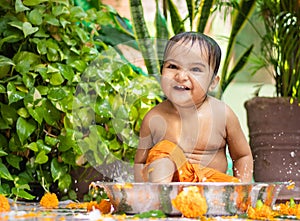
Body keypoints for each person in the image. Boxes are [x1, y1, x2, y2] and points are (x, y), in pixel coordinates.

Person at [134, 31, 253, 183]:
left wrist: (242, 192)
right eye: (173, 66)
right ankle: (158, 200)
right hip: (170, 192)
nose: (181, 76)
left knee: (229, 185)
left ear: (212, 82)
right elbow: (140, 163)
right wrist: (141, 197)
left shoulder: (222, 115)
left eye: (195, 69)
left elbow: (242, 156)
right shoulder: (154, 118)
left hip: (210, 190)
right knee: (163, 156)